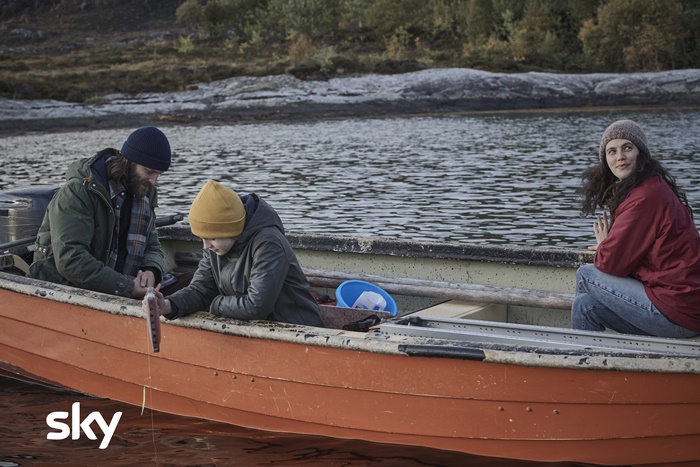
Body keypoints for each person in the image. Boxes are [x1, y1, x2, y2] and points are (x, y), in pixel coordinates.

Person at [571, 119, 700, 338]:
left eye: (627, 148)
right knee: (585, 306)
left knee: (586, 274)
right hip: (682, 306)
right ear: (606, 160)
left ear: (641, 153)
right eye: (612, 151)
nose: (619, 156)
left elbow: (612, 263)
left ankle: (580, 359)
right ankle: (585, 365)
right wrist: (610, 247)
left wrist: (604, 247)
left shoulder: (645, 197)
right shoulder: (651, 186)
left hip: (677, 311)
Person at [147, 180, 326, 327]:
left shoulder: (268, 243)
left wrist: (216, 303)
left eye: (211, 238)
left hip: (295, 327)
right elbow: (200, 289)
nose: (206, 245)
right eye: (202, 238)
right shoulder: (216, 246)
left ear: (230, 230)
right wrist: (168, 305)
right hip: (259, 331)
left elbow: (256, 306)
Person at [27, 126, 172, 299]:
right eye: (149, 172)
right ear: (128, 162)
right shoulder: (78, 192)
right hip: (61, 289)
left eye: (159, 174)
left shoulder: (144, 192)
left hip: (117, 288)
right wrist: (127, 287)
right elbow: (71, 259)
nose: (154, 181)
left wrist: (151, 271)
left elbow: (152, 245)